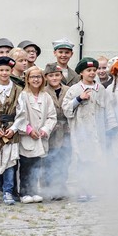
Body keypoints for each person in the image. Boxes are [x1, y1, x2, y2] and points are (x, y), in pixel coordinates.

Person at [62, 57, 118, 201]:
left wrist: (111, 127)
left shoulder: (101, 90)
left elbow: (108, 109)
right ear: (81, 73)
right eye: (88, 71)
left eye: (94, 70)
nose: (92, 73)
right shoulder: (74, 89)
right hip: (81, 132)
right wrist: (79, 99)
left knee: (95, 162)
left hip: (98, 133)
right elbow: (66, 109)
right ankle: (81, 189)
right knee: (82, 162)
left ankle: (92, 188)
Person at [0, 56, 26, 205]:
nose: (4, 73)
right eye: (1, 70)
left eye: (7, 70)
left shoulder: (18, 90)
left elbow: (22, 112)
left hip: (11, 129)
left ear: (11, 71)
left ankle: (8, 191)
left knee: (10, 163)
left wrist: (14, 128)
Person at [18, 67, 56, 204]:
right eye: (32, 77)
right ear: (27, 79)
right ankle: (24, 192)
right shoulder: (23, 96)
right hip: (27, 137)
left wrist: (45, 129)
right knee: (26, 166)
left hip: (40, 137)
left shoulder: (46, 97)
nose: (36, 79)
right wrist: (28, 129)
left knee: (37, 166)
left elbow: (52, 116)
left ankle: (34, 191)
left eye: (38, 77)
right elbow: (20, 117)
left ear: (42, 79)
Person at [42, 63, 70, 200]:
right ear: (46, 77)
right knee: (49, 160)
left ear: (61, 76)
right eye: (51, 75)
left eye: (57, 75)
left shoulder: (68, 90)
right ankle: (48, 188)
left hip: (66, 130)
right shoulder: (43, 91)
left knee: (64, 159)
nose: (54, 78)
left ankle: (61, 186)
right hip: (51, 131)